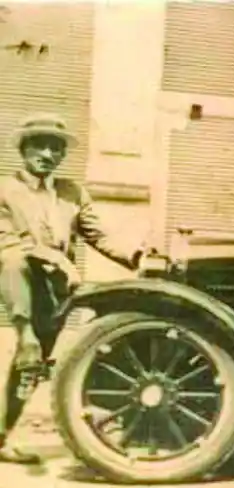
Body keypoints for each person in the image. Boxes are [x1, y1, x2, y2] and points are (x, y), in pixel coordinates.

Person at [0, 114, 148, 464]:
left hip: (54, 291)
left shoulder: (72, 193)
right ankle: (24, 335)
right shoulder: (5, 190)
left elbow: (98, 235)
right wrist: (58, 258)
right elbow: (9, 244)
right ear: (23, 148)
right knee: (15, 265)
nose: (47, 154)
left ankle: (2, 437)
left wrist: (137, 255)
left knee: (29, 370)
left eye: (56, 147)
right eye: (39, 145)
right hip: (17, 281)